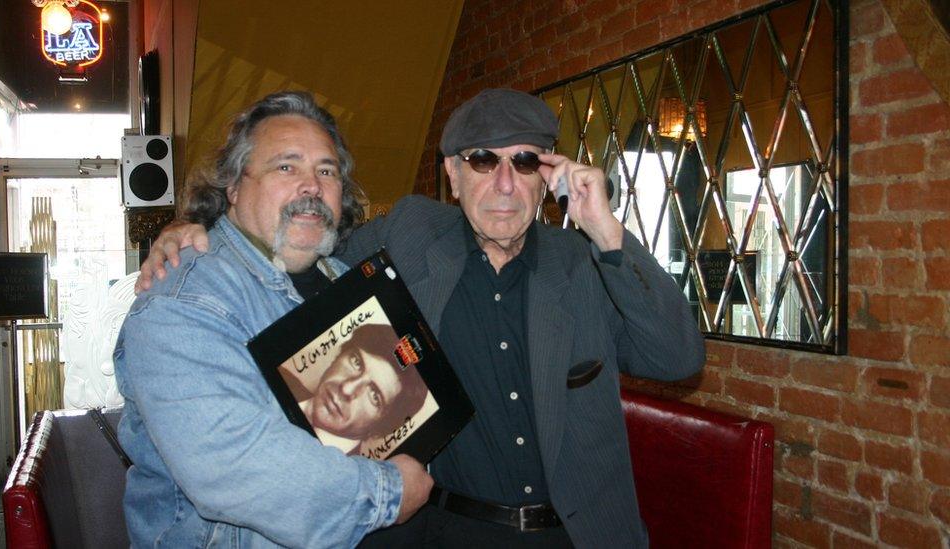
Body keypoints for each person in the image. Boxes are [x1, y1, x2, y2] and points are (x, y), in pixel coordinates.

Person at [138, 88, 706, 548]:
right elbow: (298, 247)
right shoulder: (411, 237)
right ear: (452, 177)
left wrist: (607, 231)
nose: (504, 184)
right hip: (445, 529)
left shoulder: (586, 264)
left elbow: (678, 359)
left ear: (547, 178)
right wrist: (195, 232)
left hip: (577, 533)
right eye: (482, 161)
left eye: (525, 161)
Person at [114, 91, 432, 549]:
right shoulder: (181, 302)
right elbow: (237, 467)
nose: (312, 185)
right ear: (234, 187)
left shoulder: (345, 280)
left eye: (326, 171)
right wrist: (389, 492)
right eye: (286, 166)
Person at [283, 322, 429, 444]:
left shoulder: (350, 476)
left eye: (374, 395)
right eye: (356, 362)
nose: (347, 389)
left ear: (379, 428)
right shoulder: (281, 376)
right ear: (339, 356)